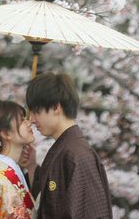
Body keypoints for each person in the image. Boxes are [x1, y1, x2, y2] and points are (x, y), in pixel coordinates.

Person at [25, 72, 113, 219]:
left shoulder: (75, 154)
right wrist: (32, 166)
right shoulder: (68, 149)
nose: (32, 120)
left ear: (56, 107)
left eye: (35, 112)